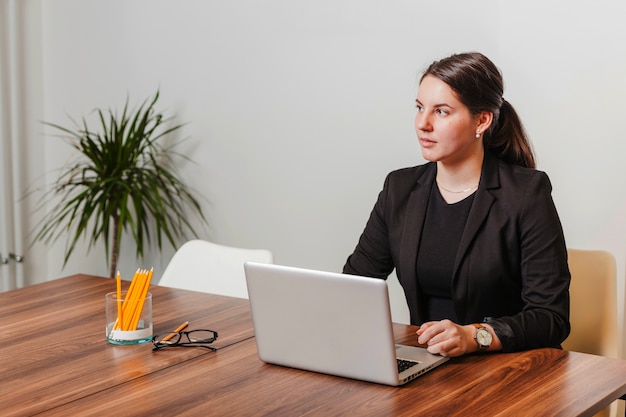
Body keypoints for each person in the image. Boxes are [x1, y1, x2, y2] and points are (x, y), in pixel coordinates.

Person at [343, 52, 570, 357]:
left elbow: (550, 318)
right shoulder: (399, 189)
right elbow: (354, 289)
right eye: (420, 108)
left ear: (482, 120)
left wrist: (475, 336)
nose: (423, 124)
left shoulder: (526, 194)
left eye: (442, 112)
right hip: (429, 364)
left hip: (508, 371)